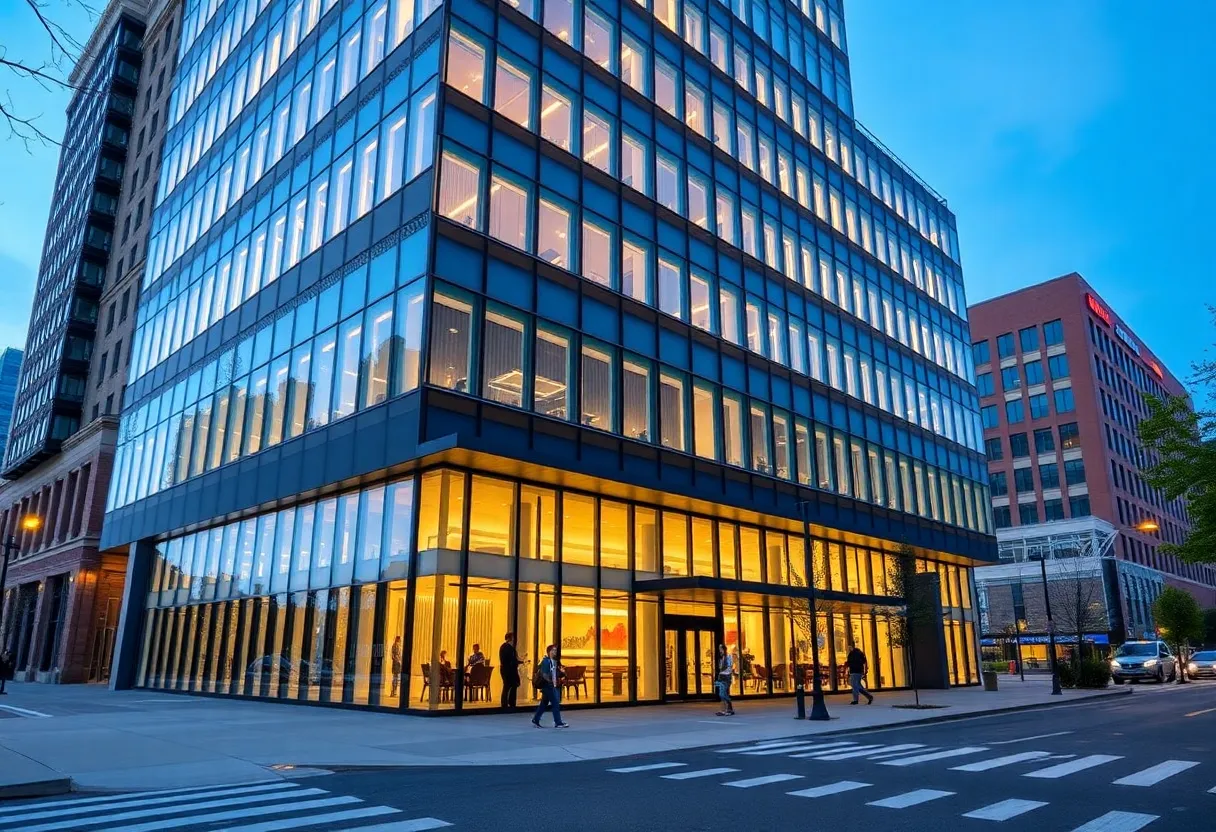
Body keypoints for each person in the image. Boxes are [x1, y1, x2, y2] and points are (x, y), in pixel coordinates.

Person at [531, 644, 568, 728]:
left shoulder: (554, 661)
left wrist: (562, 672)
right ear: (549, 652)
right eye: (553, 650)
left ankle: (536, 719)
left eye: (555, 650)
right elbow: (544, 674)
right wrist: (550, 681)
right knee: (555, 703)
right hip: (548, 686)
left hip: (552, 685)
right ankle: (558, 722)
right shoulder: (546, 661)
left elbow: (556, 673)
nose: (555, 652)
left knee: (544, 703)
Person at [499, 633, 523, 708]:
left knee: (509, 685)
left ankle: (508, 702)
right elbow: (509, 659)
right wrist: (518, 662)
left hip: (507, 669)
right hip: (508, 670)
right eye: (513, 638)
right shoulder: (507, 647)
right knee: (508, 685)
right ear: (510, 638)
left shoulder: (505, 647)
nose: (514, 640)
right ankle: (507, 703)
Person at [715, 644, 735, 716]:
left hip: (726, 677)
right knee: (721, 694)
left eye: (720, 648)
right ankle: (723, 710)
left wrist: (722, 671)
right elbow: (720, 667)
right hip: (722, 676)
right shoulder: (722, 657)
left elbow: (729, 667)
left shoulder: (728, 657)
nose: (719, 650)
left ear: (723, 649)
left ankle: (730, 709)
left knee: (724, 693)